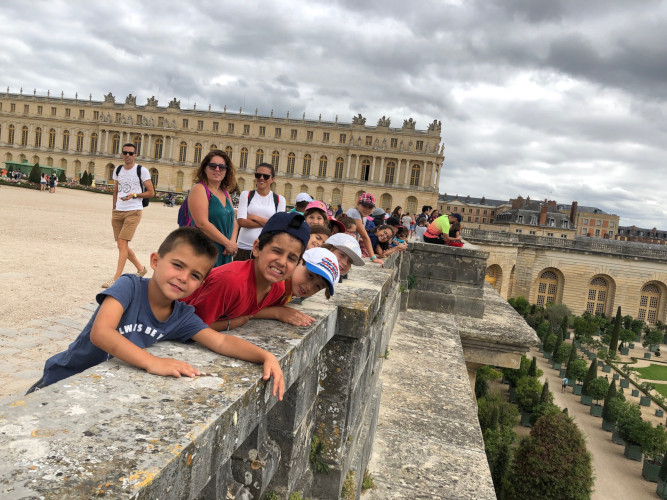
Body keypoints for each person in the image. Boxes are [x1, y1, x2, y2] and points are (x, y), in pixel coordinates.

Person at [26, 227, 285, 400]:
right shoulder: (129, 286)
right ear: (155, 261)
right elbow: (101, 333)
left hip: (92, 390)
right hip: (61, 378)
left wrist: (264, 356)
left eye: (195, 275)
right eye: (177, 265)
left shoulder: (182, 315)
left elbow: (220, 341)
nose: (183, 278)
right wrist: (152, 361)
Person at [182, 212, 314, 330]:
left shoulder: (277, 288)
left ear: (297, 264)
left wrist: (278, 312)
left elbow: (251, 309)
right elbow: (188, 325)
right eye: (276, 251)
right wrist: (231, 323)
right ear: (257, 248)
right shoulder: (231, 282)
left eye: (291, 258)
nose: (282, 262)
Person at [102, 143, 155, 288]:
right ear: (121, 154)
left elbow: (151, 192)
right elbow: (116, 190)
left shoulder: (141, 170)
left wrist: (135, 195)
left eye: (130, 153)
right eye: (125, 153)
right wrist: (114, 207)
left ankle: (116, 278)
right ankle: (141, 268)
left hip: (134, 210)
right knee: (121, 244)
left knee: (122, 243)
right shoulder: (118, 169)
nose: (127, 155)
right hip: (118, 210)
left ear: (135, 155)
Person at [187, 150, 238, 267]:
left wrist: (232, 243)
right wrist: (227, 243)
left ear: (227, 170)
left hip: (225, 250)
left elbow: (234, 220)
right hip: (206, 249)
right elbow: (202, 223)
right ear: (204, 168)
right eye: (213, 166)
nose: (217, 169)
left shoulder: (225, 192)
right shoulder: (199, 189)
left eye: (222, 167)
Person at [235, 163, 286, 261]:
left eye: (266, 176)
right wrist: (269, 223)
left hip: (265, 248)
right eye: (258, 175)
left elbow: (278, 227)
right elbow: (241, 221)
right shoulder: (246, 195)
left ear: (272, 179)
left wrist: (253, 217)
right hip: (244, 247)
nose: (261, 178)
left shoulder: (280, 199)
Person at [346, 193, 384, 266]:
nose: (367, 210)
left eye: (370, 208)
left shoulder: (364, 218)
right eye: (364, 206)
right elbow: (365, 237)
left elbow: (357, 236)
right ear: (358, 204)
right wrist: (373, 257)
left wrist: (357, 251)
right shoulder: (354, 213)